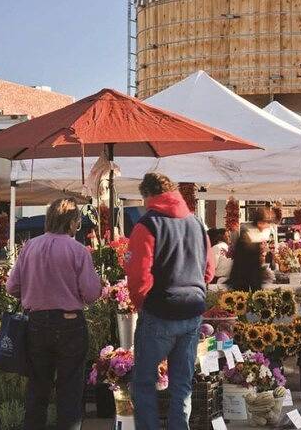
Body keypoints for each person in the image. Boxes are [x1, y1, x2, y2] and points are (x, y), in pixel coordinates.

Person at [126, 173, 215, 430]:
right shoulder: (197, 224)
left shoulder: (147, 224)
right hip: (192, 311)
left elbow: (138, 275)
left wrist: (141, 303)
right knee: (181, 385)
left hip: (159, 312)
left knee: (144, 383)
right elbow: (209, 270)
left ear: (148, 195)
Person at [7, 200, 102, 430]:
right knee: (69, 392)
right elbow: (90, 294)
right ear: (72, 222)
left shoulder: (30, 246)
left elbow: (12, 287)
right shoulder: (78, 250)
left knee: (37, 390)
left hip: (36, 324)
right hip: (70, 323)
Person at [226, 207, 275, 292]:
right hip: (243, 279)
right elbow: (249, 264)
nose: (267, 226)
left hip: (246, 279)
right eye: (266, 223)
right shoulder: (250, 235)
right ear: (260, 223)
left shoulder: (252, 233)